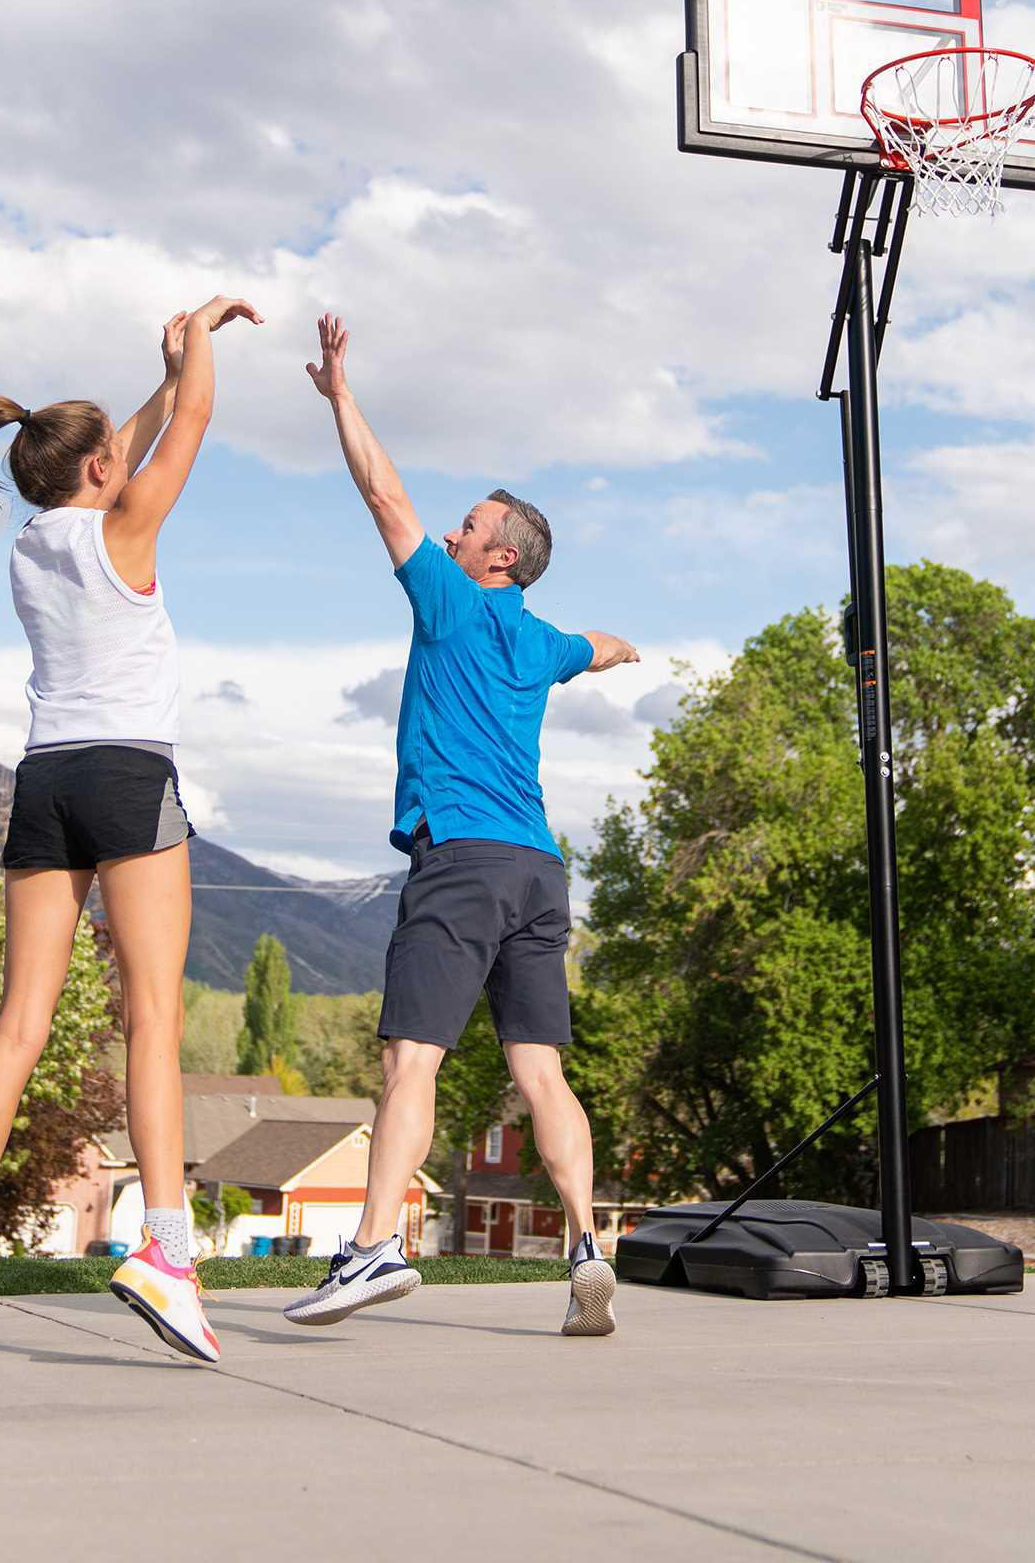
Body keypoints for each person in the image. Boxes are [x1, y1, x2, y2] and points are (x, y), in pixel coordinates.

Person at [0, 292, 259, 1364]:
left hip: (42, 780)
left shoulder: (33, 546)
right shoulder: (126, 528)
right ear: (100, 470)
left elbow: (131, 440)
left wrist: (164, 367)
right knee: (149, 1019)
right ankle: (166, 1253)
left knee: (20, 1023)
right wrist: (195, 352)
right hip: (128, 774)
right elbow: (186, 427)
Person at [286, 312, 637, 1338]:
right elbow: (599, 643)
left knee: (411, 1059)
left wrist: (341, 396)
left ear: (498, 558)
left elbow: (380, 492)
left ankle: (371, 1250)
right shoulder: (541, 638)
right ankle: (584, 1245)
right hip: (538, 868)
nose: (446, 530)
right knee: (540, 1069)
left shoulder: (446, 598)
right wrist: (620, 649)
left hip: (465, 862)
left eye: (468, 525)